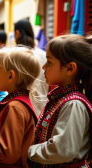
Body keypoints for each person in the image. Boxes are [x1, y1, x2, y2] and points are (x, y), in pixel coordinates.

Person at [28, 34, 92, 168]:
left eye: (49, 62)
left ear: (70, 68)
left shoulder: (73, 104)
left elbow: (62, 149)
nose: (44, 67)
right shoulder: (61, 98)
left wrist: (28, 151)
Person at [14, 19, 49, 116]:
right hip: (42, 114)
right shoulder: (45, 55)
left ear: (17, 33)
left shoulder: (14, 57)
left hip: (19, 113)